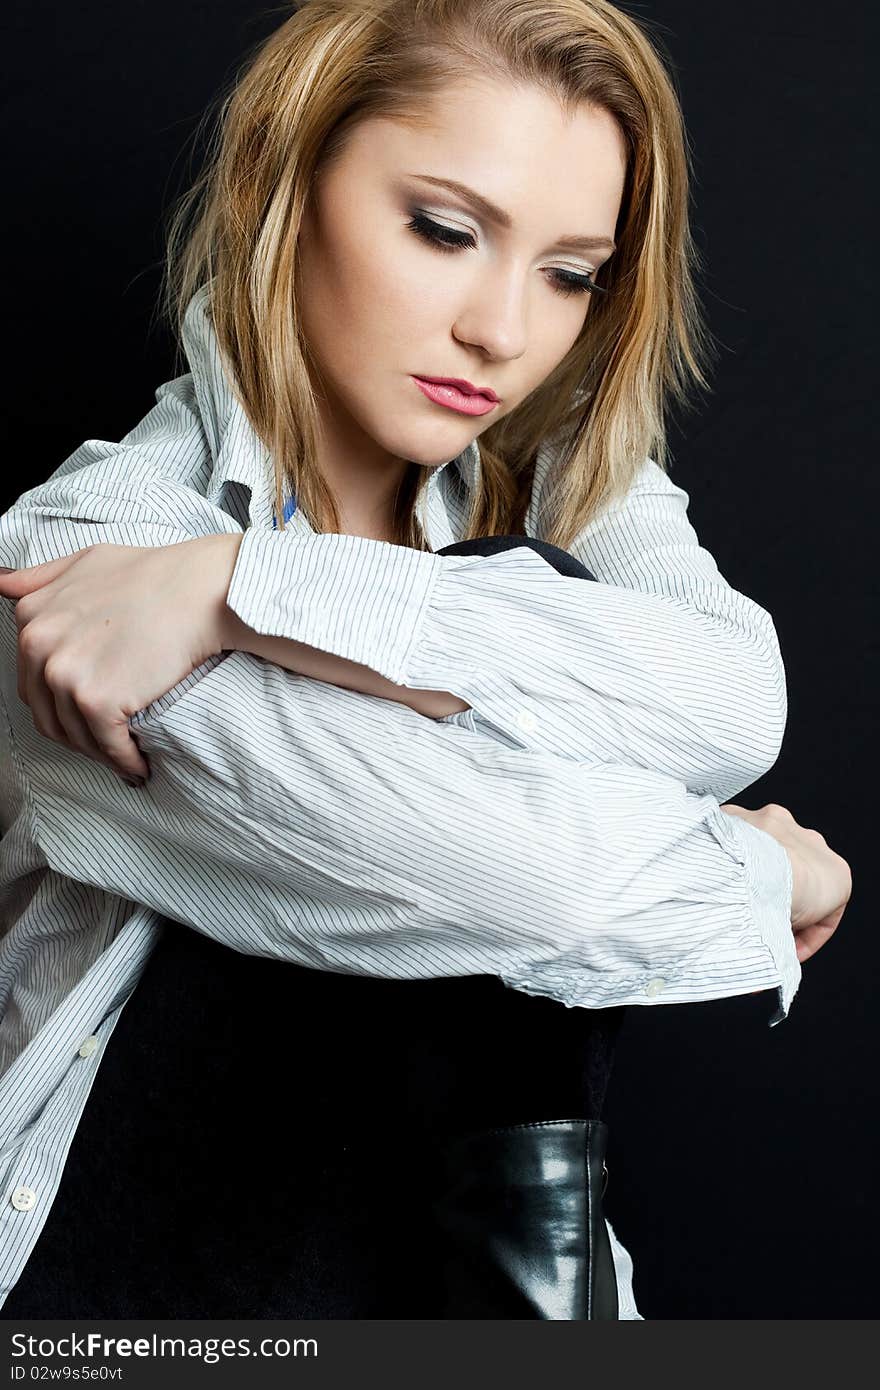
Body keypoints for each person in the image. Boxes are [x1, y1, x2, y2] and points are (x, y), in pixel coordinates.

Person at [0, 0, 850, 1319]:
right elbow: (546, 890)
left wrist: (247, 587)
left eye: (570, 272)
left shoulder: (556, 492)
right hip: (147, 1301)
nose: (503, 332)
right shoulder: (85, 558)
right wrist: (765, 869)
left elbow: (738, 701)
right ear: (288, 181)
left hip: (459, 1297)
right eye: (446, 231)